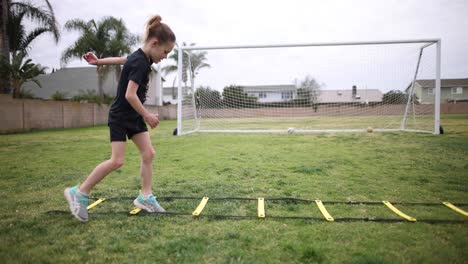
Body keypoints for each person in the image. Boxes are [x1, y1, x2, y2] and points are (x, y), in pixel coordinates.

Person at [64, 15, 176, 222]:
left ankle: (145, 197)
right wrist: (147, 115)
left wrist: (99, 62)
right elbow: (129, 95)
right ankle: (79, 193)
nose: (165, 56)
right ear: (154, 43)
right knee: (117, 160)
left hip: (132, 117)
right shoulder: (141, 63)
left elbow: (121, 60)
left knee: (148, 153)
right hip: (121, 116)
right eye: (165, 51)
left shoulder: (139, 57)